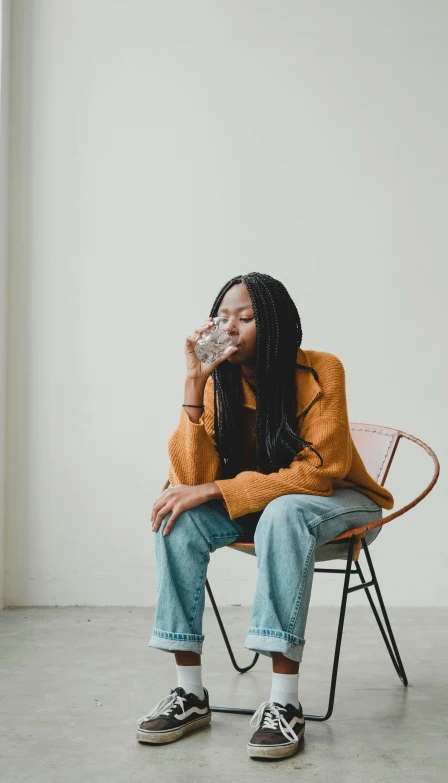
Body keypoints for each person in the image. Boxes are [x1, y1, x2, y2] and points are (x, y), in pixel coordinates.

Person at [136, 272, 394, 759]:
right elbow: (190, 476)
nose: (231, 327)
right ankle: (189, 693)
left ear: (274, 324)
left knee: (285, 509)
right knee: (180, 516)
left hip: (339, 500)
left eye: (247, 317)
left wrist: (214, 488)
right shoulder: (218, 381)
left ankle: (284, 703)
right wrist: (194, 380)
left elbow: (318, 473)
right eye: (223, 317)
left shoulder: (322, 370)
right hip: (261, 503)